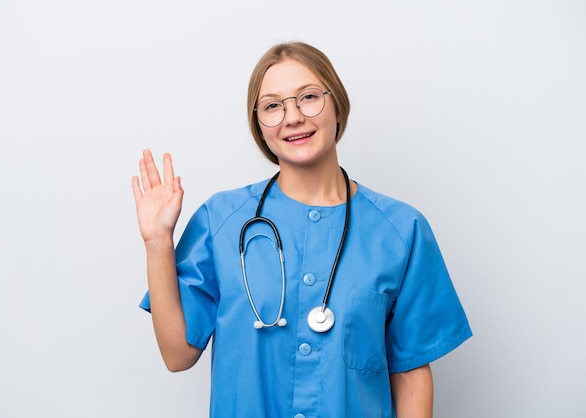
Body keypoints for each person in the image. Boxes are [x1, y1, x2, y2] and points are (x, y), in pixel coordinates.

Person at [132, 41, 472, 418]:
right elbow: (178, 355)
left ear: (337, 105)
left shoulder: (401, 231)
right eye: (273, 106)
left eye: (308, 97)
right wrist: (157, 243)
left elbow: (410, 374)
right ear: (259, 126)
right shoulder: (221, 221)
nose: (292, 117)